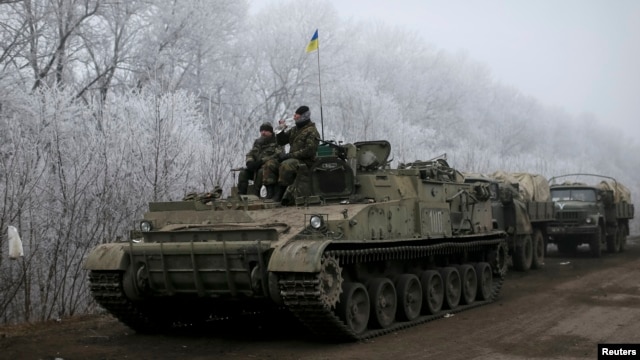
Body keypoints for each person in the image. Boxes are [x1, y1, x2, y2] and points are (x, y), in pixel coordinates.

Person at [267, 105, 320, 202]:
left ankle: (281, 193)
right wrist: (281, 130)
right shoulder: (294, 130)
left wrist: (290, 155)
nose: (294, 117)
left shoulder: (312, 131)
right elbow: (281, 141)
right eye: (295, 115)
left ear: (303, 117)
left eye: (297, 115)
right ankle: (270, 192)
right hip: (294, 160)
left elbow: (309, 151)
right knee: (271, 164)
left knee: (286, 165)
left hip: (306, 162)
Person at [237, 122, 282, 198]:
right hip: (256, 167)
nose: (263, 133)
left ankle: (255, 195)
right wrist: (250, 161)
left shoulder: (277, 141)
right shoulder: (258, 142)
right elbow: (251, 153)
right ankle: (241, 196)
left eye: (266, 131)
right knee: (243, 173)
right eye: (262, 131)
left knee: (262, 171)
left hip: (269, 170)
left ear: (270, 132)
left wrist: (262, 161)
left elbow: (278, 155)